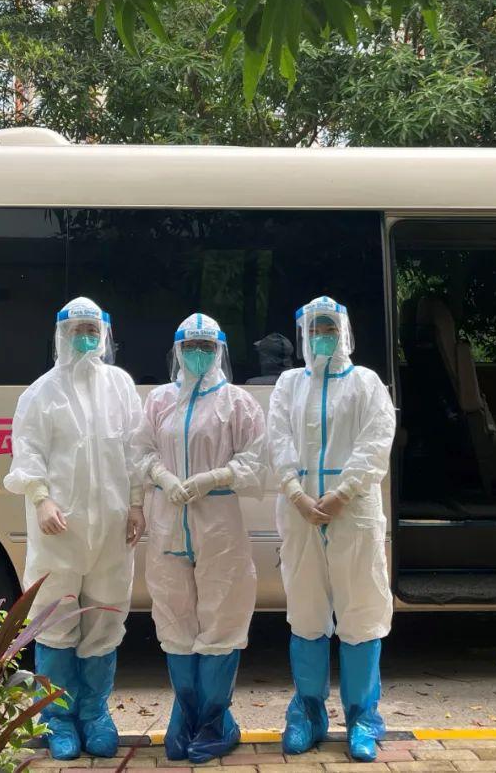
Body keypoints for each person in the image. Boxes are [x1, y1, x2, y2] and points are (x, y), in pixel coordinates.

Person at [4, 297, 145, 760]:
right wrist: (40, 497)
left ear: (104, 333)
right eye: (76, 330)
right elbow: (27, 451)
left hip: (112, 528)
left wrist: (137, 504)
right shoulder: (41, 392)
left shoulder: (120, 386)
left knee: (105, 617)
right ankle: (58, 719)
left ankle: (95, 714)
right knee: (55, 621)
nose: (84, 337)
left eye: (91, 329)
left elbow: (134, 450)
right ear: (61, 335)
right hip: (59, 530)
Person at [267, 297, 396, 763]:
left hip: (353, 513)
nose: (322, 336)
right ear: (303, 335)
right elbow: (277, 439)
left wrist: (344, 491)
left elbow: (377, 439)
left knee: (360, 613)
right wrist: (295, 492)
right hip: (300, 515)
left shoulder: (366, 383)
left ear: (344, 332)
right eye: (314, 329)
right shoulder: (289, 384)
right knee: (306, 612)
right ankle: (307, 713)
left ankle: (363, 718)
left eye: (329, 328)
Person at [133, 313, 266, 763]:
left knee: (222, 619)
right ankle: (185, 715)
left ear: (219, 350)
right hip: (169, 521)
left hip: (218, 526)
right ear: (177, 350)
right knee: (174, 619)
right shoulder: (159, 401)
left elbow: (256, 460)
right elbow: (141, 450)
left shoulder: (237, 403)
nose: (198, 354)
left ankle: (215, 721)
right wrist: (163, 476)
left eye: (206, 347)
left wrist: (215, 477)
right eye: (190, 346)